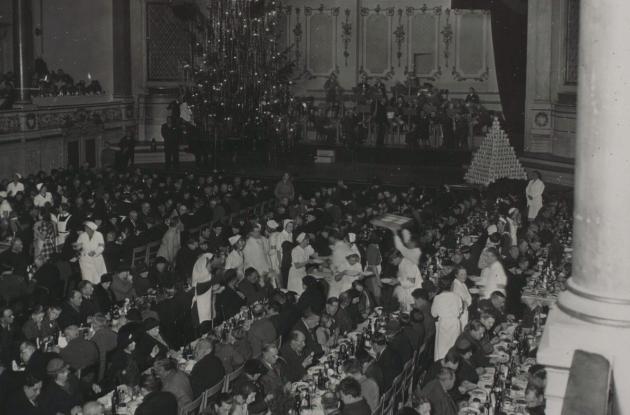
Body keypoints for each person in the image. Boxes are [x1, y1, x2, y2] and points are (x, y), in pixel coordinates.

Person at [431, 277, 463, 361]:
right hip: (454, 323)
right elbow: (460, 311)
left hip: (443, 324)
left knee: (442, 349)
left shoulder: (438, 298)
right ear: (451, 286)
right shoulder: (457, 296)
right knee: (453, 346)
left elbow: (434, 314)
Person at [76, 221, 107, 285]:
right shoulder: (82, 235)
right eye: (85, 228)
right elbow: (78, 246)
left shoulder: (99, 235)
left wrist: (95, 252)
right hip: (85, 261)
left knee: (98, 279)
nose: (86, 229)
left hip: (97, 259)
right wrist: (77, 247)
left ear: (92, 229)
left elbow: (101, 247)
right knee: (87, 279)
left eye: (88, 228)